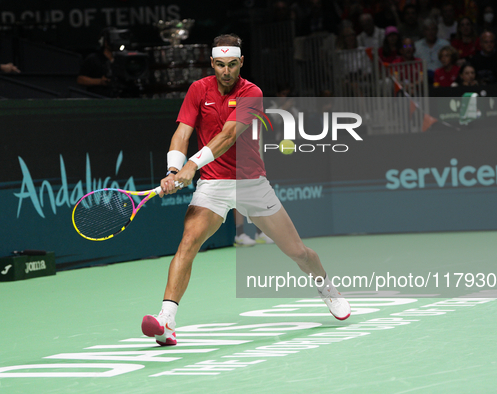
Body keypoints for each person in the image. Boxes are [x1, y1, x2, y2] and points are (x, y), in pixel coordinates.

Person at [141, 33, 351, 346]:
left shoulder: (252, 92)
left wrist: (191, 166)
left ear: (242, 62)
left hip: (252, 183)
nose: (226, 71)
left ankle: (326, 288)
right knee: (188, 242)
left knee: (297, 251)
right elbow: (182, 134)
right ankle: (166, 319)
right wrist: (173, 169)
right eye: (220, 64)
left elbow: (227, 137)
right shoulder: (199, 89)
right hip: (213, 184)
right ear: (212, 63)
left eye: (232, 64)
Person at [77, 28, 114, 97]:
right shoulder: (93, 59)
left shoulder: (123, 59)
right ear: (104, 42)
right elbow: (80, 79)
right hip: (99, 98)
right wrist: (100, 81)